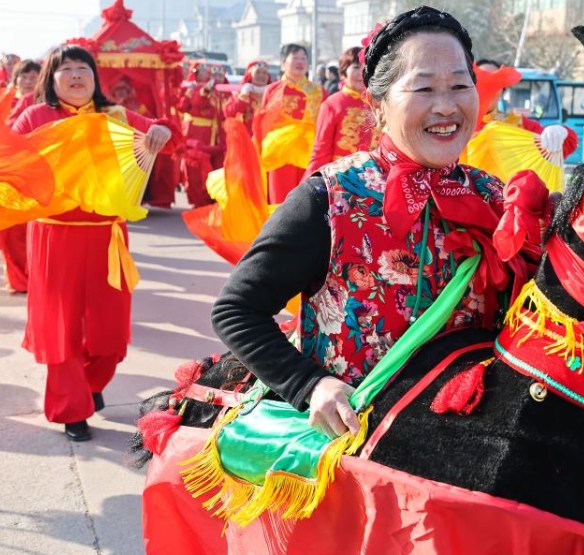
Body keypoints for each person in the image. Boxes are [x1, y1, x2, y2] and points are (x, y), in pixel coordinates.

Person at [212, 6, 530, 439]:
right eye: (423, 88)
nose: (446, 105)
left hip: (469, 450)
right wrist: (311, 385)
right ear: (379, 105)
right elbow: (237, 310)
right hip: (358, 453)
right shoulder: (331, 197)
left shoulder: (496, 197)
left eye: (460, 85)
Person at [0, 45, 178, 442]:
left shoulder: (114, 116)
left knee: (111, 337)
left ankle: (88, 383)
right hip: (54, 237)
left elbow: (162, 134)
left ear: (95, 78)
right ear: (52, 78)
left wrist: (164, 130)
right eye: (67, 70)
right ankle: (70, 409)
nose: (77, 75)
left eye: (84, 68)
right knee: (61, 328)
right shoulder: (36, 117)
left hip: (108, 238)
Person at [0, 58, 41, 295]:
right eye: (24, 77)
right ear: (15, 78)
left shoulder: (45, 104)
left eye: (33, 77)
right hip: (5, 172)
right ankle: (18, 279)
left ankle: (32, 276)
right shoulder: (4, 101)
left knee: (31, 230)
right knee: (11, 230)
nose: (29, 81)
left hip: (35, 175)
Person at [255, 43, 327, 204]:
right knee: (280, 200)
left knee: (307, 200)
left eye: (303, 58)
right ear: (283, 63)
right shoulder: (272, 90)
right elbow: (263, 125)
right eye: (295, 58)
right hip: (279, 154)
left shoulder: (319, 91)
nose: (300, 62)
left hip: (308, 154)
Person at [304, 46, 379, 175]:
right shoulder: (332, 104)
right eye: (356, 67)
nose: (362, 72)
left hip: (378, 177)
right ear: (342, 73)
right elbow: (321, 151)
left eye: (366, 67)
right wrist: (311, 183)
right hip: (342, 178)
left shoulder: (380, 104)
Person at [177, 62, 226, 207]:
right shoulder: (197, 89)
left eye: (221, 75)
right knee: (196, 168)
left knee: (217, 167)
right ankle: (199, 200)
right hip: (196, 133)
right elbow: (185, 106)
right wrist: (200, 91)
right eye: (213, 74)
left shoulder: (226, 92)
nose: (217, 77)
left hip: (218, 135)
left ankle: (213, 199)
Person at [223, 59, 271, 135]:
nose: (261, 76)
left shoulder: (273, 95)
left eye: (264, 73)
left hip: (267, 138)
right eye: (257, 72)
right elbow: (229, 113)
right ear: (250, 75)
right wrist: (243, 98)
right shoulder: (240, 94)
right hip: (245, 138)